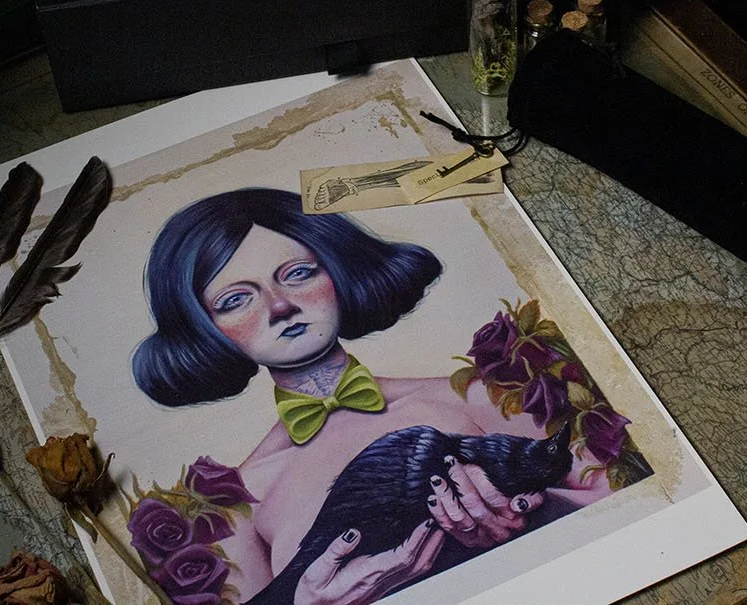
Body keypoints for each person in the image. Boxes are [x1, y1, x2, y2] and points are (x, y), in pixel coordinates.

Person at [132, 188, 612, 605]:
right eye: (236, 299)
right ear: (202, 328)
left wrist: (533, 516)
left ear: (338, 269)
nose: (280, 306)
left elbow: (638, 506)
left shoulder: (477, 395)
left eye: (297, 273)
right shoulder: (242, 501)